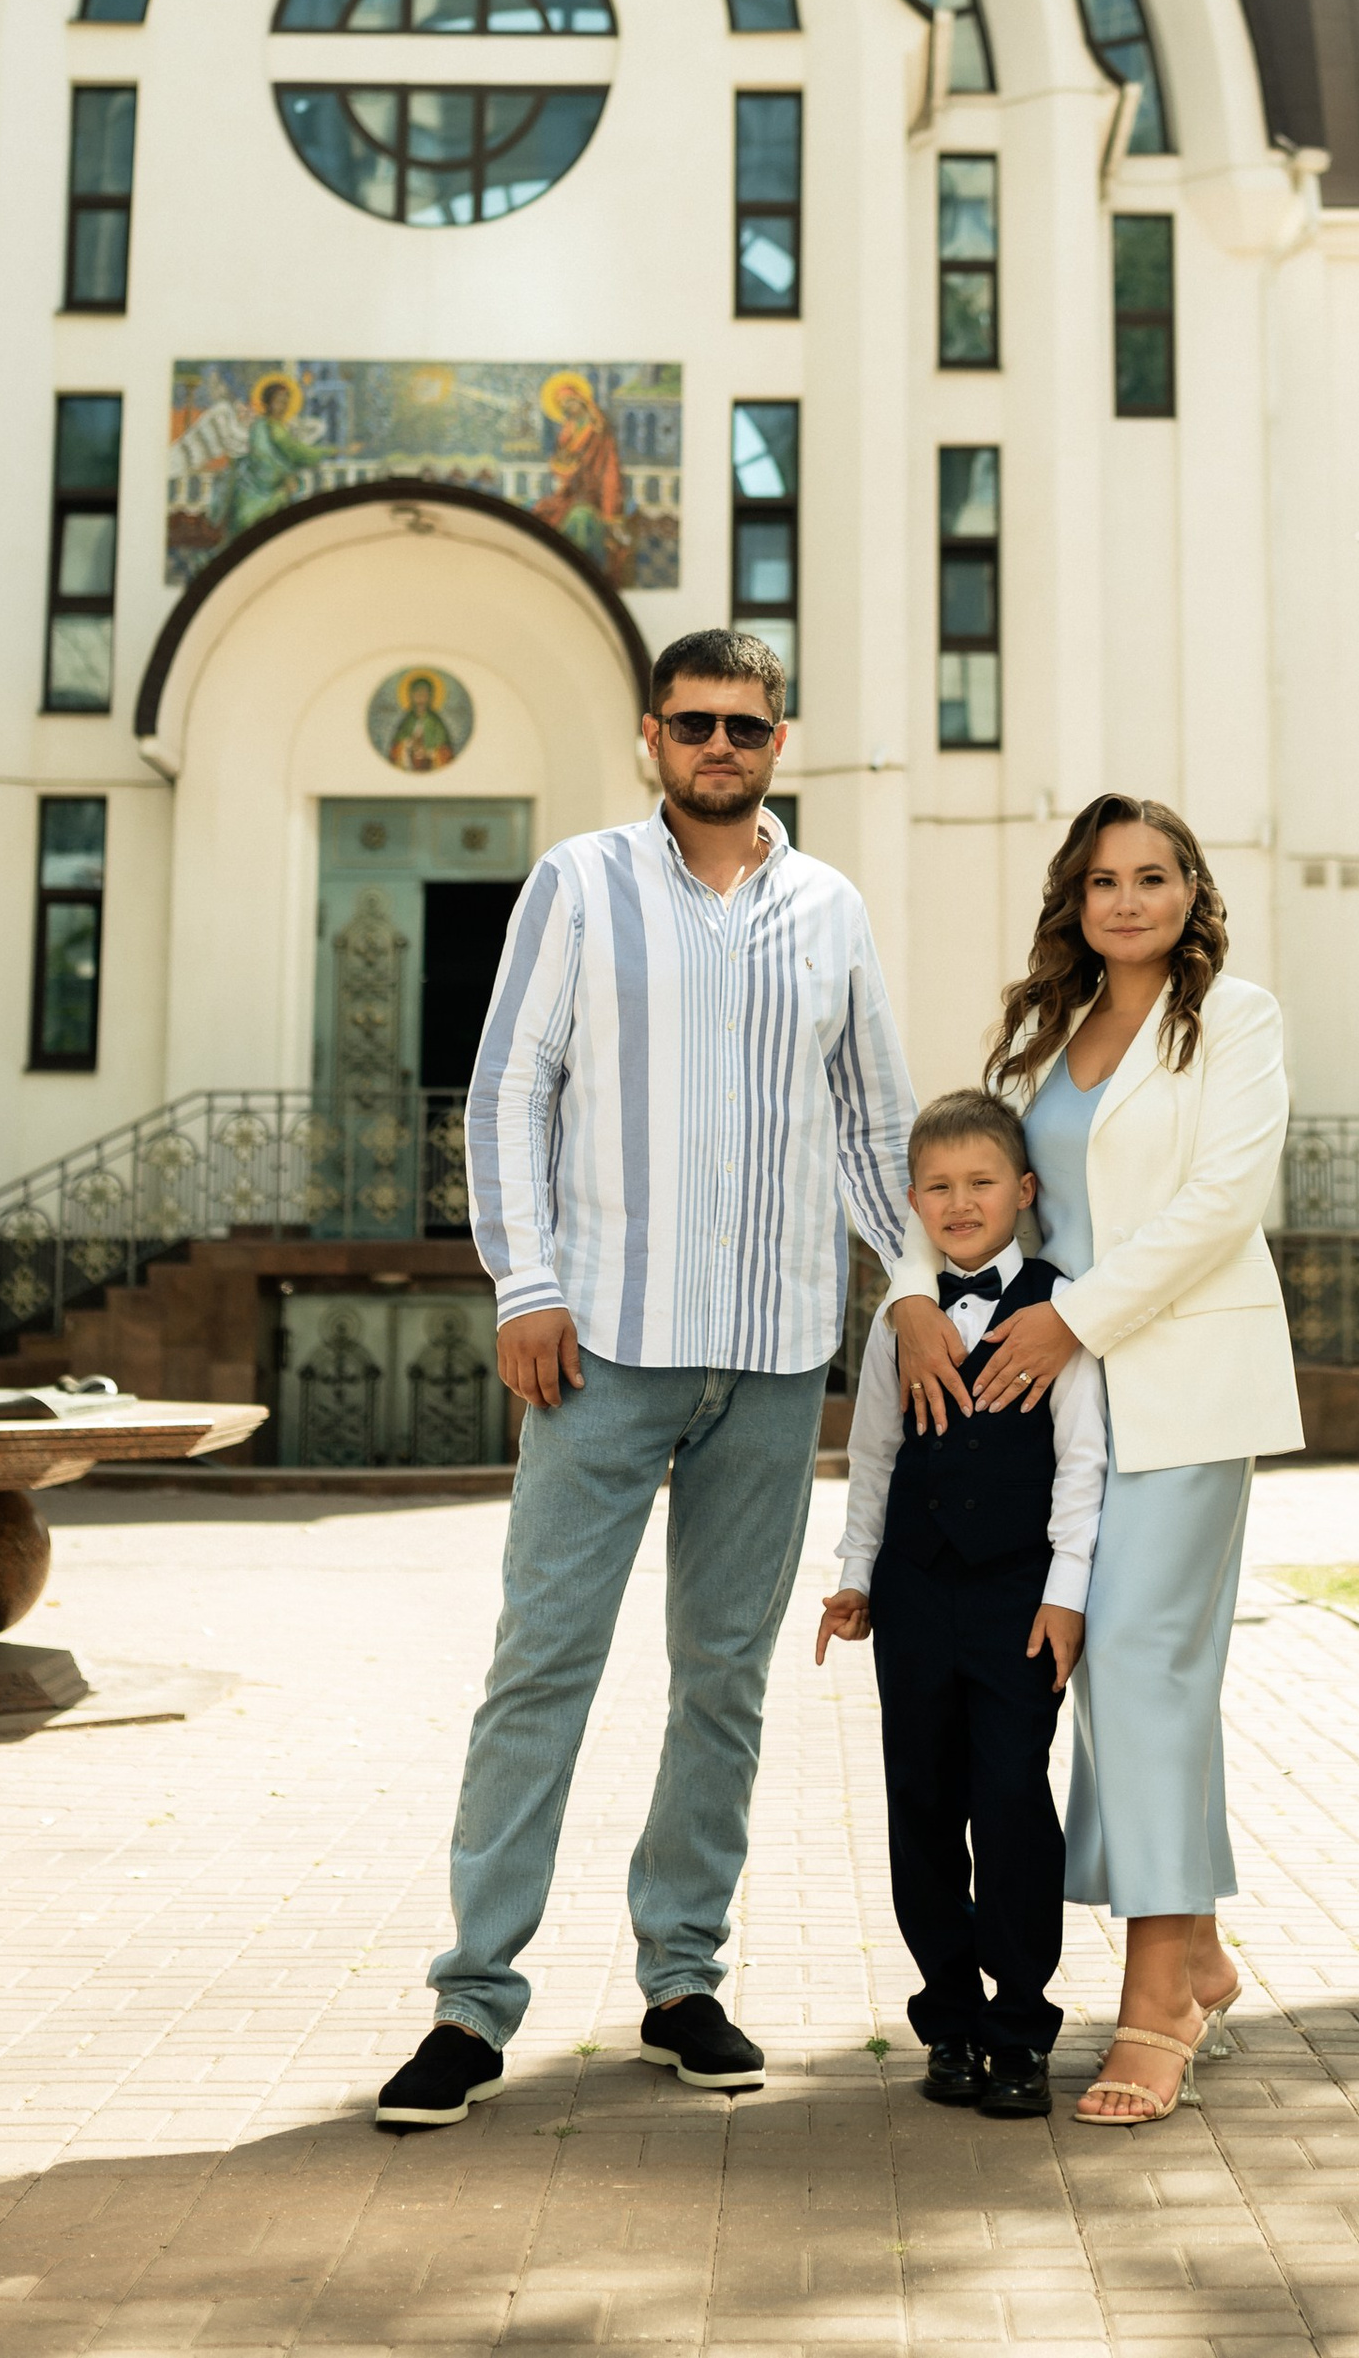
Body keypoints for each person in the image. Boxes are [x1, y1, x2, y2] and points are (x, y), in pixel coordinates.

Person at [374, 628, 917, 2131]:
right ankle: (472, 2002)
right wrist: (526, 1284)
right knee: (540, 1668)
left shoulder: (830, 911)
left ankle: (684, 1978)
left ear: (779, 740)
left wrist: (920, 1284)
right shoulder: (580, 883)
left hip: (771, 1357)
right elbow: (508, 1091)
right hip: (600, 1349)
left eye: (746, 723)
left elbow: (875, 1122)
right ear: (650, 736)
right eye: (695, 723)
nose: (721, 745)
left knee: (724, 1685)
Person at [886, 794, 1301, 2127]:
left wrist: (1075, 1315)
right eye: (1105, 879)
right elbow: (972, 1186)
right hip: (1052, 1415)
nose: (1129, 900)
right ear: (1074, 896)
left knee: (1137, 1665)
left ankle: (1158, 1993)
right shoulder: (1039, 1041)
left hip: (1180, 1387)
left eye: (1155, 875)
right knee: (1105, 1669)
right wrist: (907, 1295)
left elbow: (1221, 1202)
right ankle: (1195, 1946)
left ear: (1192, 889)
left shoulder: (1235, 1019)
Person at [816, 1088, 1105, 2121]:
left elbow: (1084, 1463)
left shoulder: (1059, 1307)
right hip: (917, 1590)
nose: (960, 1200)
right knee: (924, 1803)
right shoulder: (905, 1320)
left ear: (1023, 1191)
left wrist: (1067, 1594)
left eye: (981, 1182)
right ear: (912, 1202)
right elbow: (874, 1454)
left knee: (1013, 1802)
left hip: (1020, 1598)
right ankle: (947, 2016)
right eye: (937, 1186)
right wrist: (855, 1576)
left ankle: (1021, 2027)